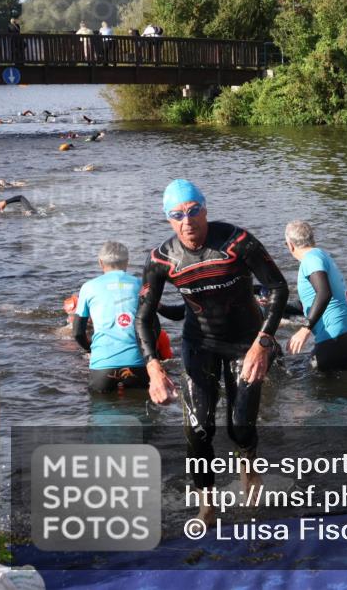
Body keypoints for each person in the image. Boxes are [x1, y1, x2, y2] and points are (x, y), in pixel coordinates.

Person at [136, 179, 288, 523]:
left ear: (205, 209)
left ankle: (248, 467)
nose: (187, 220)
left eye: (193, 211)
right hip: (199, 343)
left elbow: (278, 287)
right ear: (169, 220)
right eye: (177, 215)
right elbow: (144, 317)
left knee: (240, 426)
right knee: (199, 429)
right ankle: (208, 503)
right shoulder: (161, 259)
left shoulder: (237, 242)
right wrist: (154, 369)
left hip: (245, 343)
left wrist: (263, 343)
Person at [73, 242, 152, 393]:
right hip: (138, 364)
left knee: (101, 412)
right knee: (141, 411)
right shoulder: (140, 284)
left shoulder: (88, 287)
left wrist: (90, 349)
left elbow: (77, 332)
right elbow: (151, 326)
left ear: (100, 262)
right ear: (127, 262)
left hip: (102, 367)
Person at [284, 220, 347, 371]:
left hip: (334, 338)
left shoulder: (311, 260)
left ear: (290, 245)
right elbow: (310, 301)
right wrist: (278, 307)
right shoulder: (321, 256)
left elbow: (324, 293)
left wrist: (305, 330)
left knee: (309, 388)